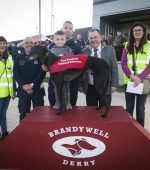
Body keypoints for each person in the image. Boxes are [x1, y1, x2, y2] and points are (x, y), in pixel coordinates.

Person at [45, 21, 81, 107]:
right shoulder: (51, 47)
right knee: (54, 110)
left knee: (70, 113)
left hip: (70, 81)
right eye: (66, 27)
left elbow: (79, 64)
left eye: (70, 28)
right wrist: (46, 67)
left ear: (73, 31)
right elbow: (47, 61)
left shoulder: (76, 47)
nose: (68, 30)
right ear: (61, 29)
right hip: (54, 79)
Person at [121, 22, 150, 127]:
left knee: (140, 108)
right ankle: (130, 129)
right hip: (130, 81)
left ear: (143, 32)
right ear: (132, 33)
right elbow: (123, 63)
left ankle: (140, 131)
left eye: (139, 30)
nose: (137, 32)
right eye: (135, 30)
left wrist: (140, 78)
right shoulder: (127, 45)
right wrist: (132, 76)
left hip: (143, 81)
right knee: (129, 107)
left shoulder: (149, 45)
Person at [80, 28, 118, 106]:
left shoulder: (110, 50)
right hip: (90, 88)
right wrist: (81, 85)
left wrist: (114, 84)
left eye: (95, 37)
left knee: (104, 111)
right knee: (91, 113)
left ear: (100, 37)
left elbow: (114, 68)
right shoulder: (84, 52)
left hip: (105, 87)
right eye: (91, 38)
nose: (93, 40)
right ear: (88, 39)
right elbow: (81, 70)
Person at [14, 37, 46, 121]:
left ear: (34, 45)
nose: (29, 44)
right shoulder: (18, 58)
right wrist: (24, 86)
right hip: (23, 90)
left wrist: (32, 85)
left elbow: (42, 73)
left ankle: (39, 132)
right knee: (24, 113)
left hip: (37, 89)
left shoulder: (39, 57)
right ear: (23, 45)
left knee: (39, 113)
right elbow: (16, 73)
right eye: (27, 43)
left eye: (31, 43)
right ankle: (24, 133)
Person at [49, 30, 74, 109]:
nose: (60, 41)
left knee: (67, 88)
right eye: (57, 39)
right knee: (56, 89)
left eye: (62, 39)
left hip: (66, 74)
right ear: (54, 40)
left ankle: (68, 102)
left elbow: (72, 59)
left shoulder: (68, 49)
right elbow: (48, 62)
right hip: (55, 75)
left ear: (65, 40)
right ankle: (58, 102)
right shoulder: (51, 50)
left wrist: (64, 57)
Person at [0, 36, 15, 141]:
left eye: (4, 43)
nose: (2, 45)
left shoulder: (9, 57)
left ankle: (4, 133)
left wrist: (13, 90)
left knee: (3, 113)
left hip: (8, 92)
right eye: (0, 43)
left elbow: (12, 74)